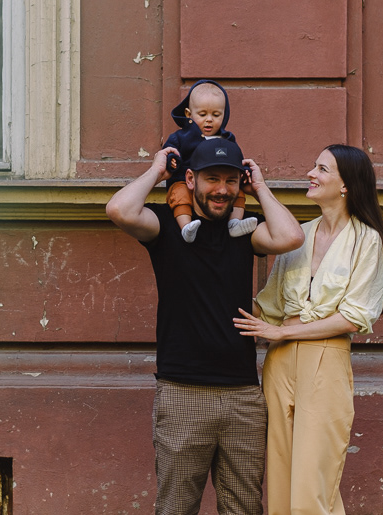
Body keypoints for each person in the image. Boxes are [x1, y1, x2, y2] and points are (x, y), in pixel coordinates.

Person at [106, 137, 305, 515]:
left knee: (244, 508)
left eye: (230, 181)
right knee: (176, 508)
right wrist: (157, 171)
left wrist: (260, 188)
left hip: (243, 397)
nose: (222, 190)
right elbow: (118, 209)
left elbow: (291, 237)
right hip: (183, 392)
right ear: (191, 179)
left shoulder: (244, 229)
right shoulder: (166, 225)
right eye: (212, 179)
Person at [233, 144, 383, 515]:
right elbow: (269, 307)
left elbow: (353, 318)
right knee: (281, 480)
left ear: (345, 184)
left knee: (312, 485)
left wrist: (282, 333)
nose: (311, 174)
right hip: (279, 364)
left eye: (322, 169)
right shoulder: (297, 237)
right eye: (314, 166)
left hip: (326, 360)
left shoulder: (366, 240)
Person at [163, 80, 257, 243]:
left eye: (216, 115)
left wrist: (245, 171)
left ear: (224, 114)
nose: (209, 120)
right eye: (202, 114)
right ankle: (186, 227)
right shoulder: (181, 137)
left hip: (216, 187)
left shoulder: (227, 139)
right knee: (179, 194)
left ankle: (234, 223)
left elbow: (237, 162)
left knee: (238, 191)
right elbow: (170, 152)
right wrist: (172, 160)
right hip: (183, 181)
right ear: (188, 114)